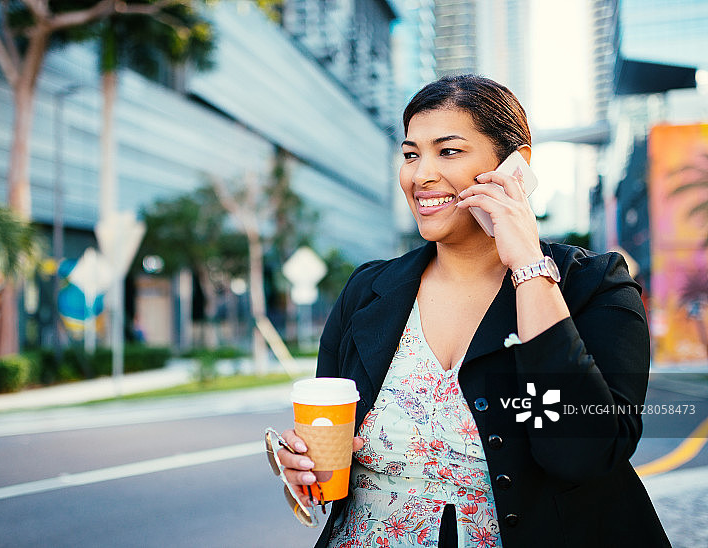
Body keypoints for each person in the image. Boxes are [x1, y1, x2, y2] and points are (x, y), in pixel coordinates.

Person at [276, 75, 671, 548]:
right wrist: (301, 468)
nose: (421, 175)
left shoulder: (594, 285)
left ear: (515, 166)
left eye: (448, 151)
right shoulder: (368, 290)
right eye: (410, 154)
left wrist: (528, 265)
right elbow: (327, 454)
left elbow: (580, 455)